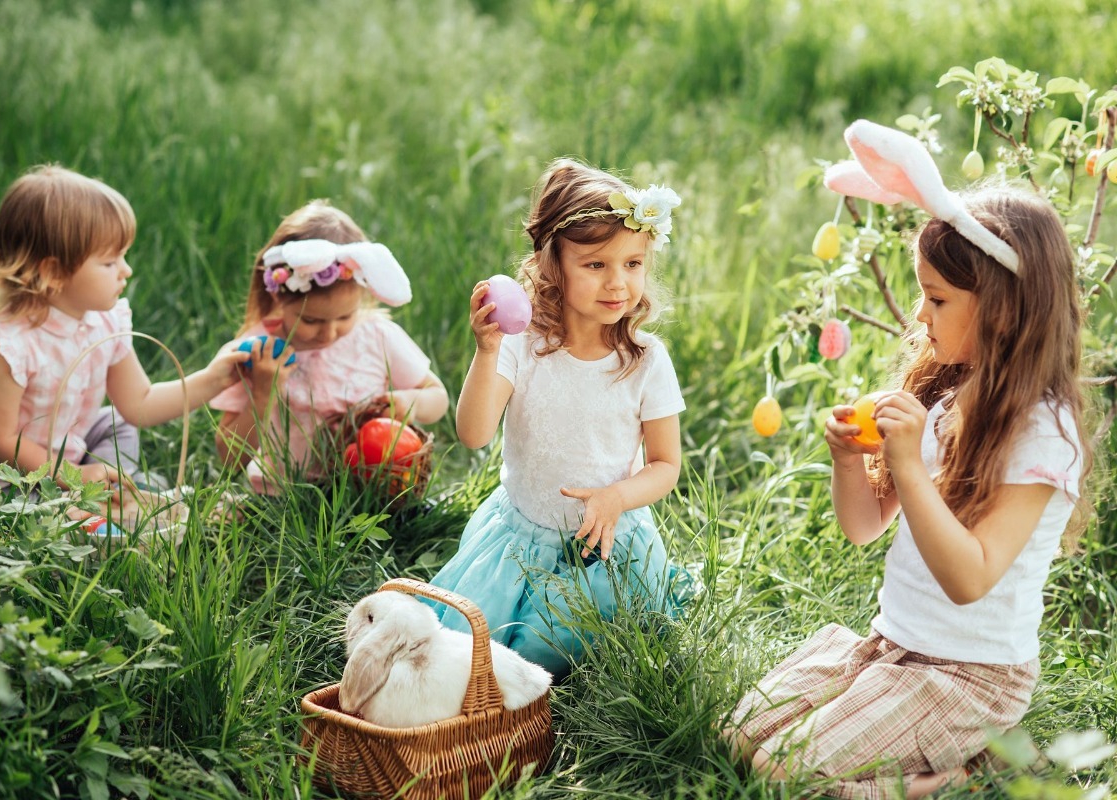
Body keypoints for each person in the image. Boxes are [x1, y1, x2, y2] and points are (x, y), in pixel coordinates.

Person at [727, 120, 1092, 800]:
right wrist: (848, 462)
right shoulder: (942, 389)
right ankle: (910, 740)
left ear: (1004, 311)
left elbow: (970, 579)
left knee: (786, 778)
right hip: (892, 645)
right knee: (738, 737)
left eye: (938, 300)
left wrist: (911, 465)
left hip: (970, 676)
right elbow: (865, 527)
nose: (921, 318)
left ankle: (967, 772)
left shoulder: (1043, 434)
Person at [429, 158, 687, 676]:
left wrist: (617, 496)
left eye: (633, 264)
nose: (619, 283)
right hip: (522, 537)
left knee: (582, 657)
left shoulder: (645, 360)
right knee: (474, 651)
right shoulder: (522, 346)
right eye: (596, 265)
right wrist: (485, 351)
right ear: (553, 266)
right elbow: (473, 434)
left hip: (605, 544)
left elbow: (665, 464)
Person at [0, 165, 246, 488]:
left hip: (61, 449)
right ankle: (88, 499)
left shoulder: (105, 321)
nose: (127, 270)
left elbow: (140, 403)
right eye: (110, 262)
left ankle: (104, 488)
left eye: (123, 257)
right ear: (53, 273)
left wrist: (212, 379)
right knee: (37, 514)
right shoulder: (9, 344)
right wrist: (72, 475)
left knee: (117, 422)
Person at [212, 200, 448, 493]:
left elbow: (438, 397)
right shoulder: (257, 351)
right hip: (282, 497)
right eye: (310, 319)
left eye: (345, 316)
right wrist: (262, 392)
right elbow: (230, 458)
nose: (329, 333)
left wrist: (411, 402)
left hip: (370, 493)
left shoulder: (377, 335)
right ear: (277, 297)